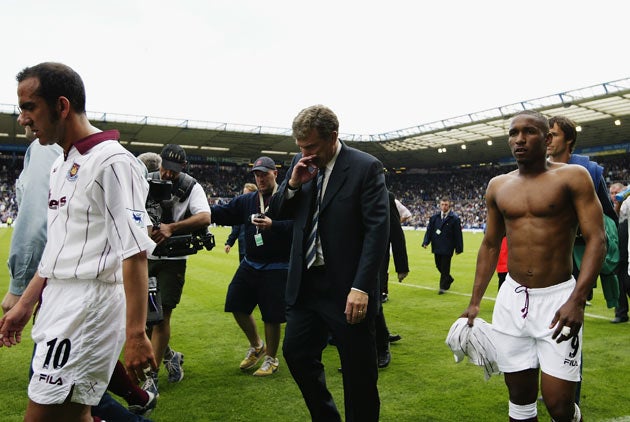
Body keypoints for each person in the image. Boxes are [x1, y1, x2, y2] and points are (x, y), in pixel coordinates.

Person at [0, 62, 157, 421]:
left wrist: (135, 333)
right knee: (75, 415)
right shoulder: (60, 165)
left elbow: (134, 251)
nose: (22, 118)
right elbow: (56, 249)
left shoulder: (114, 162)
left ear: (62, 106)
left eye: (29, 107)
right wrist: (26, 303)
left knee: (43, 417)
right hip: (58, 301)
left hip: (91, 305)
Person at [462, 110, 605, 422]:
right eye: (513, 133)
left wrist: (577, 300)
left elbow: (597, 239)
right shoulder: (498, 185)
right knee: (520, 399)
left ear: (547, 138)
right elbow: (489, 244)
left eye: (528, 132)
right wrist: (474, 303)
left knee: (558, 404)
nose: (519, 139)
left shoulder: (572, 177)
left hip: (558, 300)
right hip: (512, 300)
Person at [268, 105, 389, 422]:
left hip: (348, 289)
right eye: (300, 147)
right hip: (306, 286)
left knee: (358, 374)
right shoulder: (301, 164)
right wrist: (293, 184)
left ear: (333, 136)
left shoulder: (366, 167)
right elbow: (279, 212)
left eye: (311, 146)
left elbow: (378, 231)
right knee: (296, 354)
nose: (305, 153)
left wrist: (362, 287)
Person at [211, 157, 292, 376]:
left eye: (264, 174)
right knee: (235, 302)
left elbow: (298, 226)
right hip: (251, 262)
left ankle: (271, 359)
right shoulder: (247, 200)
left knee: (272, 315)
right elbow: (224, 213)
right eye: (257, 174)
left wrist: (273, 225)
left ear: (275, 173)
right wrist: (200, 208)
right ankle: (257, 345)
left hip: (277, 265)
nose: (260, 178)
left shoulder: (286, 197)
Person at [144, 144, 211, 394]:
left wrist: (171, 228)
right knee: (146, 321)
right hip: (146, 256)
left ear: (182, 168)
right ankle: (170, 357)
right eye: (165, 168)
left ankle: (151, 377)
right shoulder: (145, 180)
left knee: (161, 318)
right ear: (159, 162)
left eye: (173, 170)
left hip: (173, 260)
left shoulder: (192, 186)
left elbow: (205, 217)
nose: (168, 174)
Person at [2, 126, 62, 314]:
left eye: (28, 107)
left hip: (62, 287)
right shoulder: (106, 153)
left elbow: (35, 221)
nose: (21, 119)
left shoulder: (45, 147)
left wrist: (18, 287)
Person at [376, 191, 409, 368]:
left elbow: (395, 229)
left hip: (373, 255)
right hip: (345, 254)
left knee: (372, 303)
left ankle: (382, 347)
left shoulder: (383, 194)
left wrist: (401, 265)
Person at [422, 197, 464, 294]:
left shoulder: (454, 218)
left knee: (445, 267)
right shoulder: (434, 217)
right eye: (442, 204)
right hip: (437, 245)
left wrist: (459, 248)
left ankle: (442, 287)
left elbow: (458, 234)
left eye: (446, 204)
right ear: (439, 205)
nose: (444, 206)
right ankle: (448, 278)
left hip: (448, 247)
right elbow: (429, 231)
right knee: (438, 265)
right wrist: (426, 242)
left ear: (449, 205)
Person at [610, 182, 630, 323]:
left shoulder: (627, 204)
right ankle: (621, 313)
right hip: (617, 251)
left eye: (616, 192)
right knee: (618, 283)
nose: (614, 195)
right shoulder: (610, 208)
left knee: (628, 282)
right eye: (611, 193)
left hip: (627, 249)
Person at [224, 182, 258, 262]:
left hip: (256, 249)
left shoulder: (260, 209)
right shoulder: (241, 210)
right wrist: (229, 243)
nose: (244, 197)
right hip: (243, 248)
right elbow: (236, 228)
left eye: (247, 194)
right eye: (243, 194)